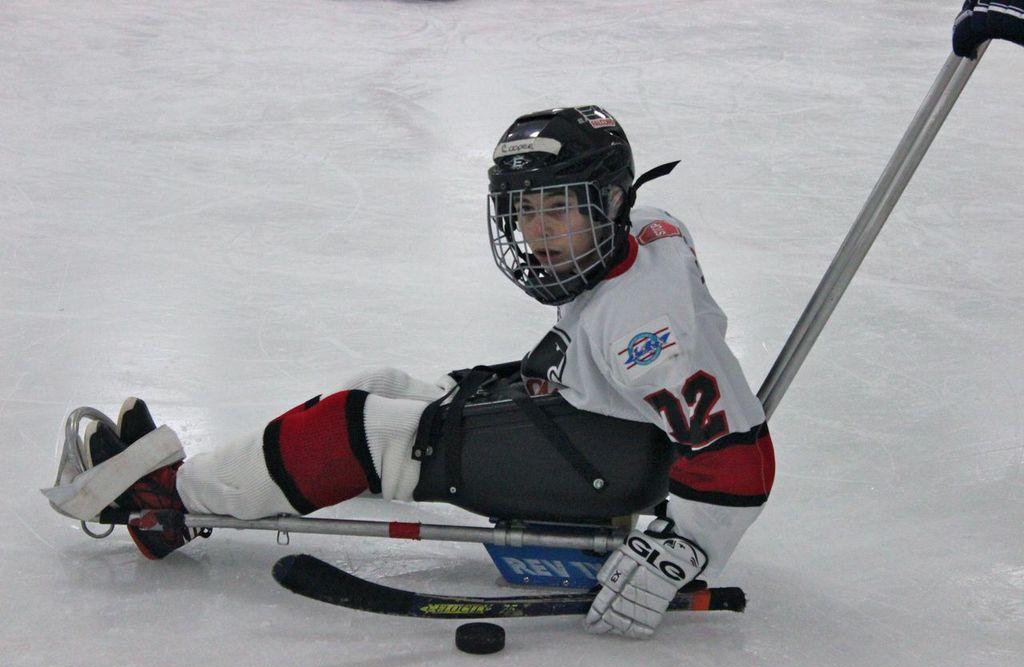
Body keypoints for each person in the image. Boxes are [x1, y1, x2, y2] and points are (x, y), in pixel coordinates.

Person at [48, 105, 775, 639]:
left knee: (362, 429)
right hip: (599, 423)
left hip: (600, 462)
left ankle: (160, 501)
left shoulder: (648, 331)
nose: (537, 232)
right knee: (387, 386)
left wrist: (677, 552)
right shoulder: (649, 232)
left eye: (561, 209)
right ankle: (237, 480)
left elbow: (739, 462)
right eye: (526, 210)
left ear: (613, 201)